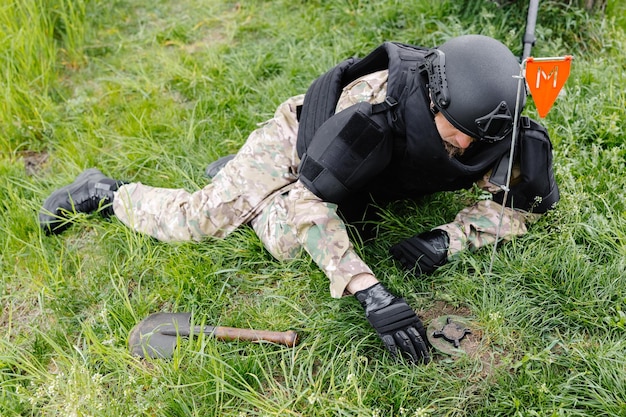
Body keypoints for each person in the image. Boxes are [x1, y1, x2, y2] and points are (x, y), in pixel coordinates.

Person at [39, 35, 559, 365]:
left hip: (365, 174)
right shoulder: (370, 114)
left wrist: (450, 239)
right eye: (458, 135)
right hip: (303, 145)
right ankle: (108, 194)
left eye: (477, 140)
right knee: (206, 223)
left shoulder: (492, 123)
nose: (469, 148)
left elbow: (522, 206)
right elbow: (312, 206)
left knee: (336, 223)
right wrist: (369, 291)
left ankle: (248, 187)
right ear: (432, 98)